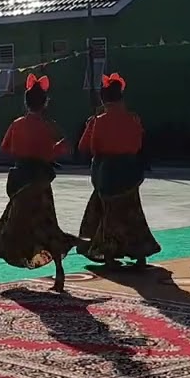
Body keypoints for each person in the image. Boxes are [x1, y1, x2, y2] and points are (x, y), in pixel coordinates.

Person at [0, 73, 77, 291]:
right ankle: (59, 272)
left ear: (26, 102)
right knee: (47, 224)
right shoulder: (48, 126)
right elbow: (54, 152)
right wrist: (58, 147)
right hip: (40, 181)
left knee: (11, 223)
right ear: (45, 103)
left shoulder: (17, 124)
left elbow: (5, 148)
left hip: (20, 178)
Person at [76, 72, 161, 268]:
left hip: (107, 173)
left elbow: (86, 147)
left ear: (103, 100)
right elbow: (138, 144)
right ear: (121, 97)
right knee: (133, 213)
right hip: (130, 171)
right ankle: (140, 254)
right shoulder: (133, 119)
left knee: (108, 214)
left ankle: (108, 255)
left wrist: (92, 127)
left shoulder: (98, 121)